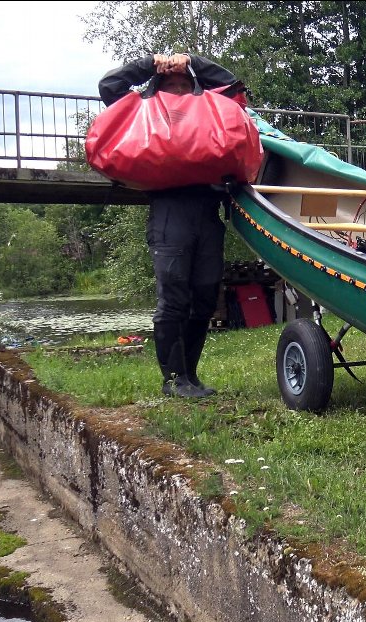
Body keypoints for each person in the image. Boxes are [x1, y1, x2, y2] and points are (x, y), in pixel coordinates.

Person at [98, 53, 240, 398]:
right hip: (169, 210)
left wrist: (192, 63)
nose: (177, 91)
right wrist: (150, 65)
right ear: (158, 91)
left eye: (184, 85)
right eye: (170, 86)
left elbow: (231, 86)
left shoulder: (210, 111)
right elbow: (109, 86)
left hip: (208, 211)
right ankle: (172, 380)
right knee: (174, 297)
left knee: (205, 298)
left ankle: (189, 376)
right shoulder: (144, 112)